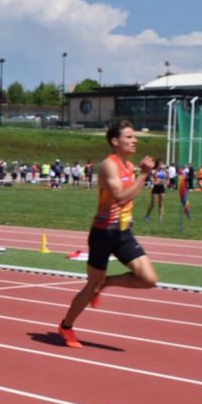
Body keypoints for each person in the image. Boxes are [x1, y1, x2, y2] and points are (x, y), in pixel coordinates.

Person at [56, 119, 157, 348]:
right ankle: (66, 326)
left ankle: (106, 283)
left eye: (134, 137)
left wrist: (140, 175)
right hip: (103, 234)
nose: (135, 141)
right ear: (115, 141)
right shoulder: (108, 165)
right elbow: (121, 198)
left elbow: (127, 198)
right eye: (129, 137)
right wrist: (144, 176)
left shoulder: (129, 167)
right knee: (90, 285)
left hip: (123, 234)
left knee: (148, 279)